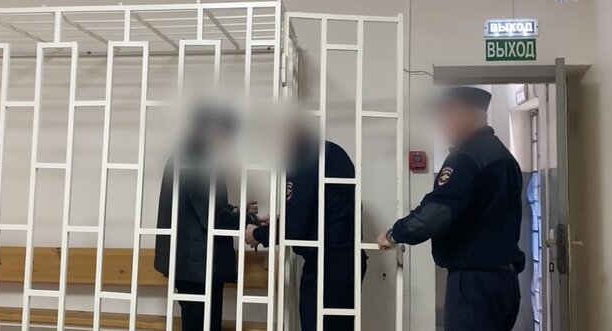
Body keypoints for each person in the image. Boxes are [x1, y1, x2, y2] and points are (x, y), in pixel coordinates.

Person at [377, 87, 525, 331]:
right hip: (504, 282)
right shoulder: (503, 156)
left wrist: (395, 234)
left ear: (466, 115)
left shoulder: (467, 157)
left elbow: (437, 212)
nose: (442, 125)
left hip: (474, 283)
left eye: (446, 115)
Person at [245, 122, 367, 331]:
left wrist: (257, 234)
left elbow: (296, 227)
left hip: (327, 265)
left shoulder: (304, 160)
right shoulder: (331, 152)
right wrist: (280, 219)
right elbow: (320, 209)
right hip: (347, 259)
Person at [154, 107, 258, 331]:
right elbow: (211, 216)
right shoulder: (196, 157)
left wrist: (236, 212)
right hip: (198, 266)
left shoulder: (190, 153)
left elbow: (199, 209)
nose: (226, 142)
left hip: (194, 264)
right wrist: (248, 220)